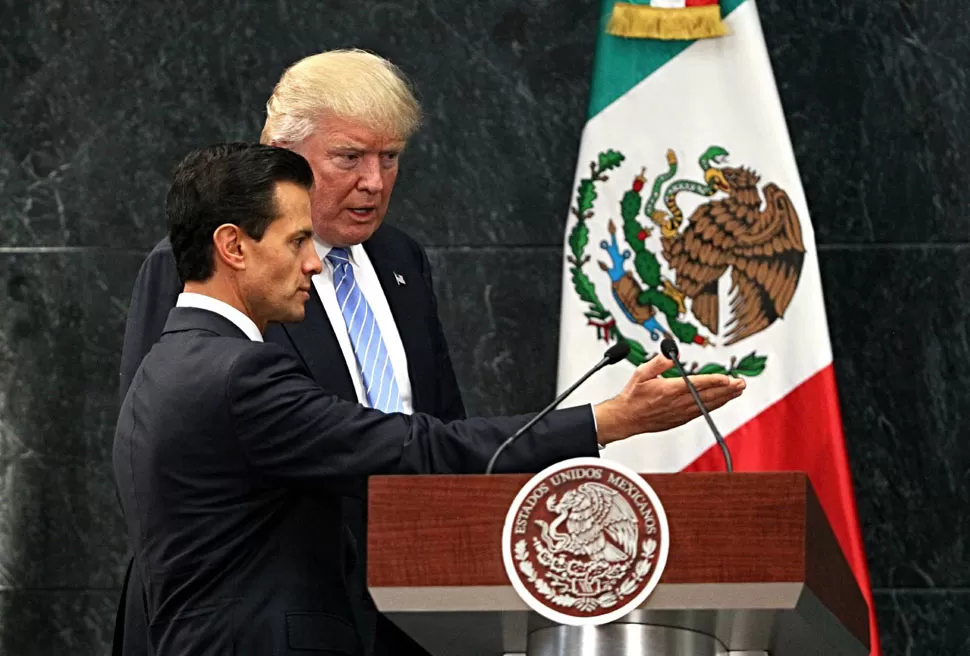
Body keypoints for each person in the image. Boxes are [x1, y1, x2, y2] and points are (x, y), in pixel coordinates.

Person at [113, 142, 744, 655]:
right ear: (233, 247)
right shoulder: (239, 375)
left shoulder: (165, 366)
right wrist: (606, 420)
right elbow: (412, 447)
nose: (313, 263)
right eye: (296, 241)